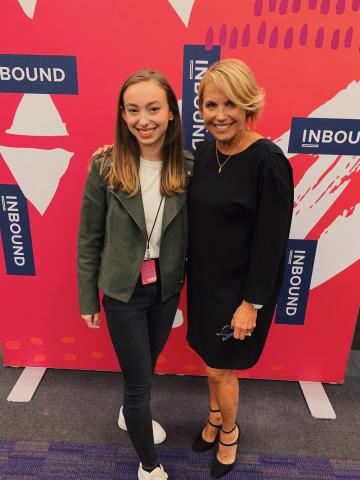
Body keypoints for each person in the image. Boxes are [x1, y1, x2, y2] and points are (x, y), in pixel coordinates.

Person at [77, 69, 193, 480]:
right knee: (138, 382)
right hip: (122, 292)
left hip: (164, 289)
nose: (143, 119)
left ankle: (131, 414)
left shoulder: (189, 168)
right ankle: (149, 465)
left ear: (171, 114)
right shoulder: (105, 167)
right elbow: (89, 238)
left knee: (147, 365)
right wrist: (89, 299)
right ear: (122, 116)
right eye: (133, 110)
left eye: (153, 109)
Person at [186, 58, 294, 478]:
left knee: (220, 366)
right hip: (204, 284)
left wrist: (252, 303)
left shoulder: (268, 161)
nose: (219, 114)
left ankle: (228, 431)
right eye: (211, 105)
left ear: (248, 104)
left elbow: (272, 242)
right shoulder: (203, 152)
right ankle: (214, 417)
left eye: (230, 104)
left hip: (239, 292)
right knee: (211, 361)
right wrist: (111, 155)